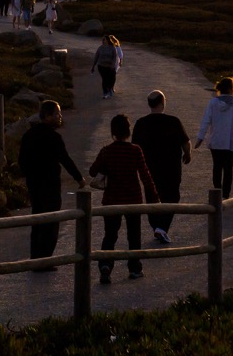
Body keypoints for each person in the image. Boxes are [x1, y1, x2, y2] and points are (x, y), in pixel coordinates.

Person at [89, 114, 157, 283]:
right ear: (128, 130)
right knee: (134, 235)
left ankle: (105, 264)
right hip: (133, 199)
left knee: (110, 235)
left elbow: (92, 171)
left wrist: (106, 166)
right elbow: (145, 176)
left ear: (113, 131)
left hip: (111, 199)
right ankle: (134, 268)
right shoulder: (135, 150)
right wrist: (155, 198)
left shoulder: (106, 151)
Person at [17, 101, 84, 265]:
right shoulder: (54, 137)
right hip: (50, 184)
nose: (60, 117)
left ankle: (35, 257)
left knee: (37, 219)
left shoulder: (29, 135)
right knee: (51, 221)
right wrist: (79, 178)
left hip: (34, 184)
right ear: (47, 116)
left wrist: (29, 175)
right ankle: (45, 260)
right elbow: (65, 160)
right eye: (57, 114)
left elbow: (21, 160)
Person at [131, 91, 191, 244]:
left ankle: (157, 227)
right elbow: (185, 142)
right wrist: (187, 154)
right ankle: (162, 227)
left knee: (152, 198)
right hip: (171, 168)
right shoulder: (173, 121)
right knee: (172, 197)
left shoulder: (140, 123)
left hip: (148, 168)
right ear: (163, 102)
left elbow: (134, 147)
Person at [195, 77, 233, 199]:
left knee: (217, 166)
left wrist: (200, 138)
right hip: (231, 141)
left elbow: (205, 121)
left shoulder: (213, 102)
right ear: (230, 89)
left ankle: (217, 191)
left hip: (216, 141)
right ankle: (226, 195)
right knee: (228, 169)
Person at [92, 35, 122, 99]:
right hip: (101, 66)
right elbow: (96, 57)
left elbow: (114, 57)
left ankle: (110, 89)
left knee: (111, 79)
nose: (102, 41)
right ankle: (105, 93)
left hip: (110, 66)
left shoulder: (112, 48)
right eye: (102, 40)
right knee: (104, 79)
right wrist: (93, 66)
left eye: (104, 39)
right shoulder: (100, 48)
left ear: (107, 40)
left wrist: (112, 65)